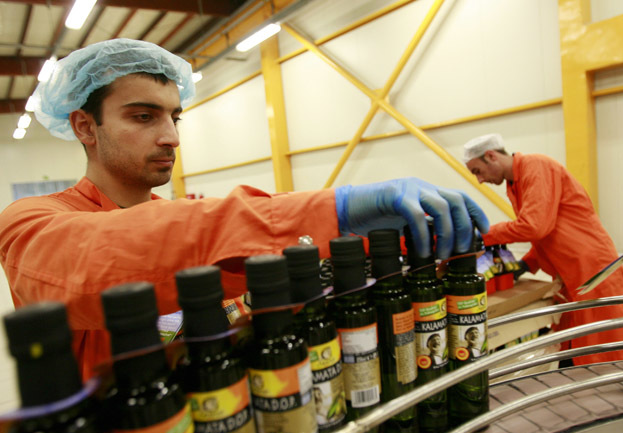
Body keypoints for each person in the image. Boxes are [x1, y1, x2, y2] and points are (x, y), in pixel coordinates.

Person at [0, 39, 489, 380]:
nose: (170, 136)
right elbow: (111, 255)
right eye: (143, 116)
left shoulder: (187, 216)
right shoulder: (31, 222)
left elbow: (220, 238)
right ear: (85, 127)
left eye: (174, 116)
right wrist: (332, 208)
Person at [462, 133, 623, 366]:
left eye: (477, 171)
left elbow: (535, 226)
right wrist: (526, 264)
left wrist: (484, 235)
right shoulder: (515, 184)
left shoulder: (536, 166)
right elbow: (549, 232)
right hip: (568, 272)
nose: (480, 180)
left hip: (591, 269)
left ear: (491, 156)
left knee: (604, 347)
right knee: (574, 346)